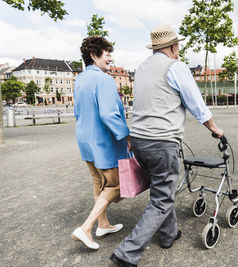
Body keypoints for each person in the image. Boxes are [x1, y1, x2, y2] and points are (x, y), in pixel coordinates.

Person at [110, 24, 224, 267]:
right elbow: (195, 103)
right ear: (173, 46)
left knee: (162, 191)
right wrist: (214, 128)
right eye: (178, 46)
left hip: (139, 141)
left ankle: (168, 234)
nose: (179, 50)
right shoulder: (176, 67)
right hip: (161, 142)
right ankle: (126, 253)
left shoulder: (141, 69)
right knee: (162, 199)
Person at [71, 36, 130, 250]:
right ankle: (86, 228)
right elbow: (108, 115)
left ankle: (103, 224)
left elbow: (78, 112)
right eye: (107, 54)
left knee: (98, 184)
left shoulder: (80, 79)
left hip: (85, 140)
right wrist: (126, 135)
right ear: (94, 56)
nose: (110, 58)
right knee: (116, 186)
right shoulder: (104, 79)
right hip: (103, 141)